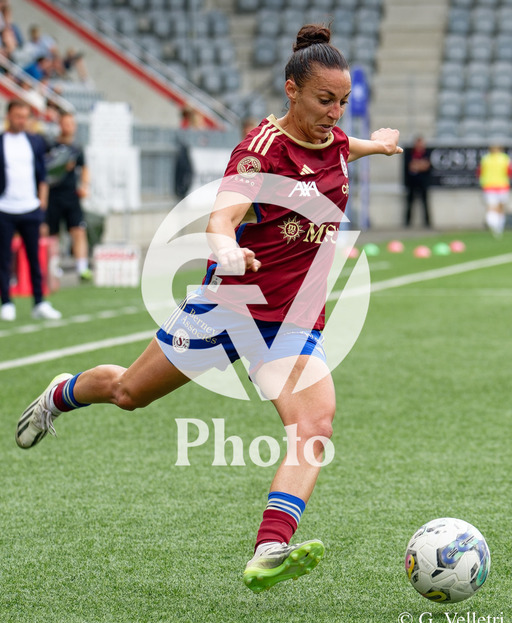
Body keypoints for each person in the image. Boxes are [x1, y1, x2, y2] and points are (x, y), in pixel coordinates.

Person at [16, 25, 401, 591]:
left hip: (291, 322)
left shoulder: (334, 140)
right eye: (325, 100)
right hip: (229, 307)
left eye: (342, 102)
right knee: (127, 393)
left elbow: (345, 148)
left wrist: (380, 144)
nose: (335, 113)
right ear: (292, 90)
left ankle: (270, 547)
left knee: (314, 424)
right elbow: (222, 217)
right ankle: (61, 392)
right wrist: (228, 249)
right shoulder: (258, 152)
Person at [0, 100, 61, 321]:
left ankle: (39, 302)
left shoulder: (35, 141)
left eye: (25, 117)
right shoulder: (2, 141)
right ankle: (6, 302)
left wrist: (41, 204)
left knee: (35, 257)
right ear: (9, 116)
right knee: (4, 258)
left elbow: (42, 175)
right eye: (18, 116)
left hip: (30, 207)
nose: (21, 121)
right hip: (5, 208)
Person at [45, 111, 91, 281]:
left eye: (71, 124)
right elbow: (45, 169)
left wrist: (84, 186)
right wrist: (59, 165)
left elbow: (85, 168)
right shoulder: (51, 146)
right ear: (60, 125)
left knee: (78, 230)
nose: (69, 127)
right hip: (53, 195)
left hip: (71, 196)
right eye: (65, 124)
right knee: (52, 233)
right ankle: (53, 267)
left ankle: (82, 268)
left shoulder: (77, 148)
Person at [477, 144, 512, 238]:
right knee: (494, 207)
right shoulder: (504, 159)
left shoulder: (486, 159)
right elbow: (509, 172)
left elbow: (479, 172)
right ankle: (494, 225)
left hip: (494, 186)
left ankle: (497, 226)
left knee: (498, 206)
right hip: (496, 186)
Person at [404, 135, 431, 227]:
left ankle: (427, 222)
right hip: (412, 182)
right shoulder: (410, 153)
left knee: (425, 202)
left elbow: (426, 166)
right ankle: (407, 222)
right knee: (410, 203)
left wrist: (417, 165)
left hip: (423, 182)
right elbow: (410, 166)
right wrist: (421, 165)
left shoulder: (426, 153)